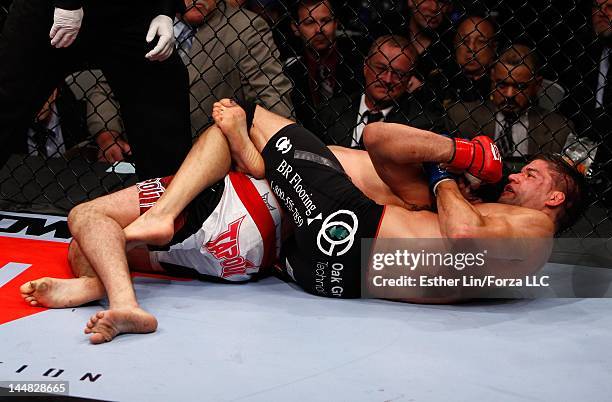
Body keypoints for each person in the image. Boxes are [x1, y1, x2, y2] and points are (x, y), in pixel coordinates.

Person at [21, 98, 585, 343]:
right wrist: (458, 157)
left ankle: (221, 171)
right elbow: (379, 139)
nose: (514, 177)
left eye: (532, 175)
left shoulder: (532, 233)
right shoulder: (475, 211)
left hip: (349, 232)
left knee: (245, 111)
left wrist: (445, 177)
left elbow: (461, 244)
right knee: (100, 234)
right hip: (323, 272)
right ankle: (113, 281)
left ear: (556, 199)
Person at [0, 0, 192, 180]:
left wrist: (164, 10)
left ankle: (167, 204)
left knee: (161, 93)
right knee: (8, 96)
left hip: (129, 10)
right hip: (49, 9)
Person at [86, 0, 293, 163]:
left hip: (215, 159)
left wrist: (268, 152)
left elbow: (272, 97)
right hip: (145, 154)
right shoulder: (145, 22)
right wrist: (107, 136)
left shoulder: (245, 28)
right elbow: (104, 88)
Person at [312, 34, 447, 148]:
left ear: (409, 79)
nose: (387, 79)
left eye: (398, 74)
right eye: (381, 69)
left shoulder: (423, 126)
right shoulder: (330, 112)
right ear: (366, 67)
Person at [447, 44, 572, 164]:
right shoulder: (459, 116)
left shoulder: (558, 129)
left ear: (537, 84)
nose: (509, 94)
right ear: (492, 77)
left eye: (520, 87)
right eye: (501, 85)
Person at [284, 0, 364, 126]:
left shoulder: (358, 64)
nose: (319, 29)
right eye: (309, 22)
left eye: (325, 21)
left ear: (336, 23)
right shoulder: (289, 70)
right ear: (295, 28)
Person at [445, 15, 496, 105]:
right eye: (464, 40)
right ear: (455, 44)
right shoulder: (440, 81)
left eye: (481, 41)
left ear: (494, 47)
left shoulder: (501, 85)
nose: (471, 48)